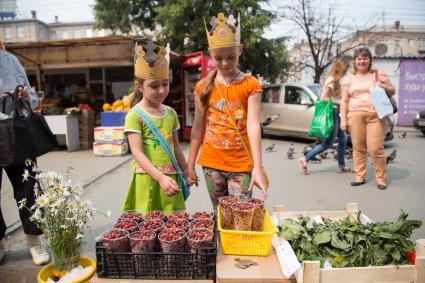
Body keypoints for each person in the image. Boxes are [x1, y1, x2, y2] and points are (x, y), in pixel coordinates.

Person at [186, 12, 268, 208]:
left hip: (242, 165)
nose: (224, 63)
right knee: (220, 215)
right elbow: (197, 128)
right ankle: (219, 241)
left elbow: (253, 125)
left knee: (241, 214)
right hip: (211, 165)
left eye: (230, 57)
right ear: (210, 53)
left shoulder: (251, 85)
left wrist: (257, 167)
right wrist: (190, 165)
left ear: (240, 50)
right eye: (218, 58)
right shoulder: (203, 87)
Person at [122, 41, 186, 213]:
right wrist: (160, 178)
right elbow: (137, 153)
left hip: (170, 177)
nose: (161, 90)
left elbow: (177, 146)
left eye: (165, 84)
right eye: (154, 86)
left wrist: (186, 169)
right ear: (140, 86)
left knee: (171, 226)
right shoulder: (134, 115)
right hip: (148, 178)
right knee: (148, 225)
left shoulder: (171, 113)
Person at [0, 40, 49, 265]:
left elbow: (33, 97)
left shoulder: (9, 60)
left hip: (17, 131)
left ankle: (34, 242)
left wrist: (23, 96)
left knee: (28, 188)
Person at [340, 47, 395, 190]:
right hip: (355, 116)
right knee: (358, 148)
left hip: (376, 116)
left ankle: (381, 178)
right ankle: (359, 176)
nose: (362, 61)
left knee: (375, 149)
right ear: (354, 61)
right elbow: (344, 101)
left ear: (370, 60)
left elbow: (392, 90)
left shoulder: (378, 74)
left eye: (365, 58)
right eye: (359, 58)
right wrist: (343, 120)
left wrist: (381, 84)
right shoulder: (349, 79)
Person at [298, 58, 351, 175]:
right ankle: (305, 159)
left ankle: (342, 165)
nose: (345, 73)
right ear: (340, 69)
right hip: (332, 113)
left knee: (343, 139)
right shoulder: (331, 80)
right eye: (345, 70)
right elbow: (323, 98)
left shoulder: (334, 81)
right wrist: (340, 102)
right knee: (328, 143)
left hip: (335, 112)